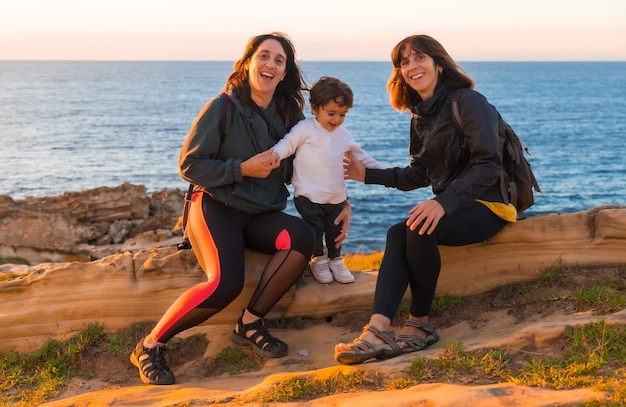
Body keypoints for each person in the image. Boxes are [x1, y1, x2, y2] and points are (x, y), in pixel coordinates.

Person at [129, 32, 352, 385]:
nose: (270, 65)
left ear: (284, 73)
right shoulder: (222, 107)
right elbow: (189, 165)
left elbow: (314, 163)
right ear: (248, 62)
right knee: (225, 284)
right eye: (264, 56)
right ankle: (150, 345)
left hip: (262, 212)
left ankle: (249, 322)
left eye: (279, 61)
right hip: (217, 205)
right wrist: (241, 169)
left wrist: (343, 202)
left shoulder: (291, 115)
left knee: (302, 238)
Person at [334, 34, 516, 365]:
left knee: (419, 228)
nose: (412, 66)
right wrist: (366, 175)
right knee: (396, 232)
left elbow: (489, 165)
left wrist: (443, 203)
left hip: (490, 205)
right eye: (404, 62)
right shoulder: (421, 116)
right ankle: (377, 330)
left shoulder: (468, 102)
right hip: (455, 204)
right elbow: (419, 174)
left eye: (419, 58)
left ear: (438, 64)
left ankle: (421, 324)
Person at [264, 76, 384, 284]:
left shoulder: (343, 135)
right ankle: (318, 260)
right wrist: (275, 154)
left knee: (335, 230)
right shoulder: (305, 129)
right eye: (331, 113)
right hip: (308, 195)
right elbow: (288, 143)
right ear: (315, 109)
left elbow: (361, 157)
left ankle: (336, 260)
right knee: (314, 230)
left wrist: (383, 171)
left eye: (342, 114)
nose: (336, 119)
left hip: (336, 197)